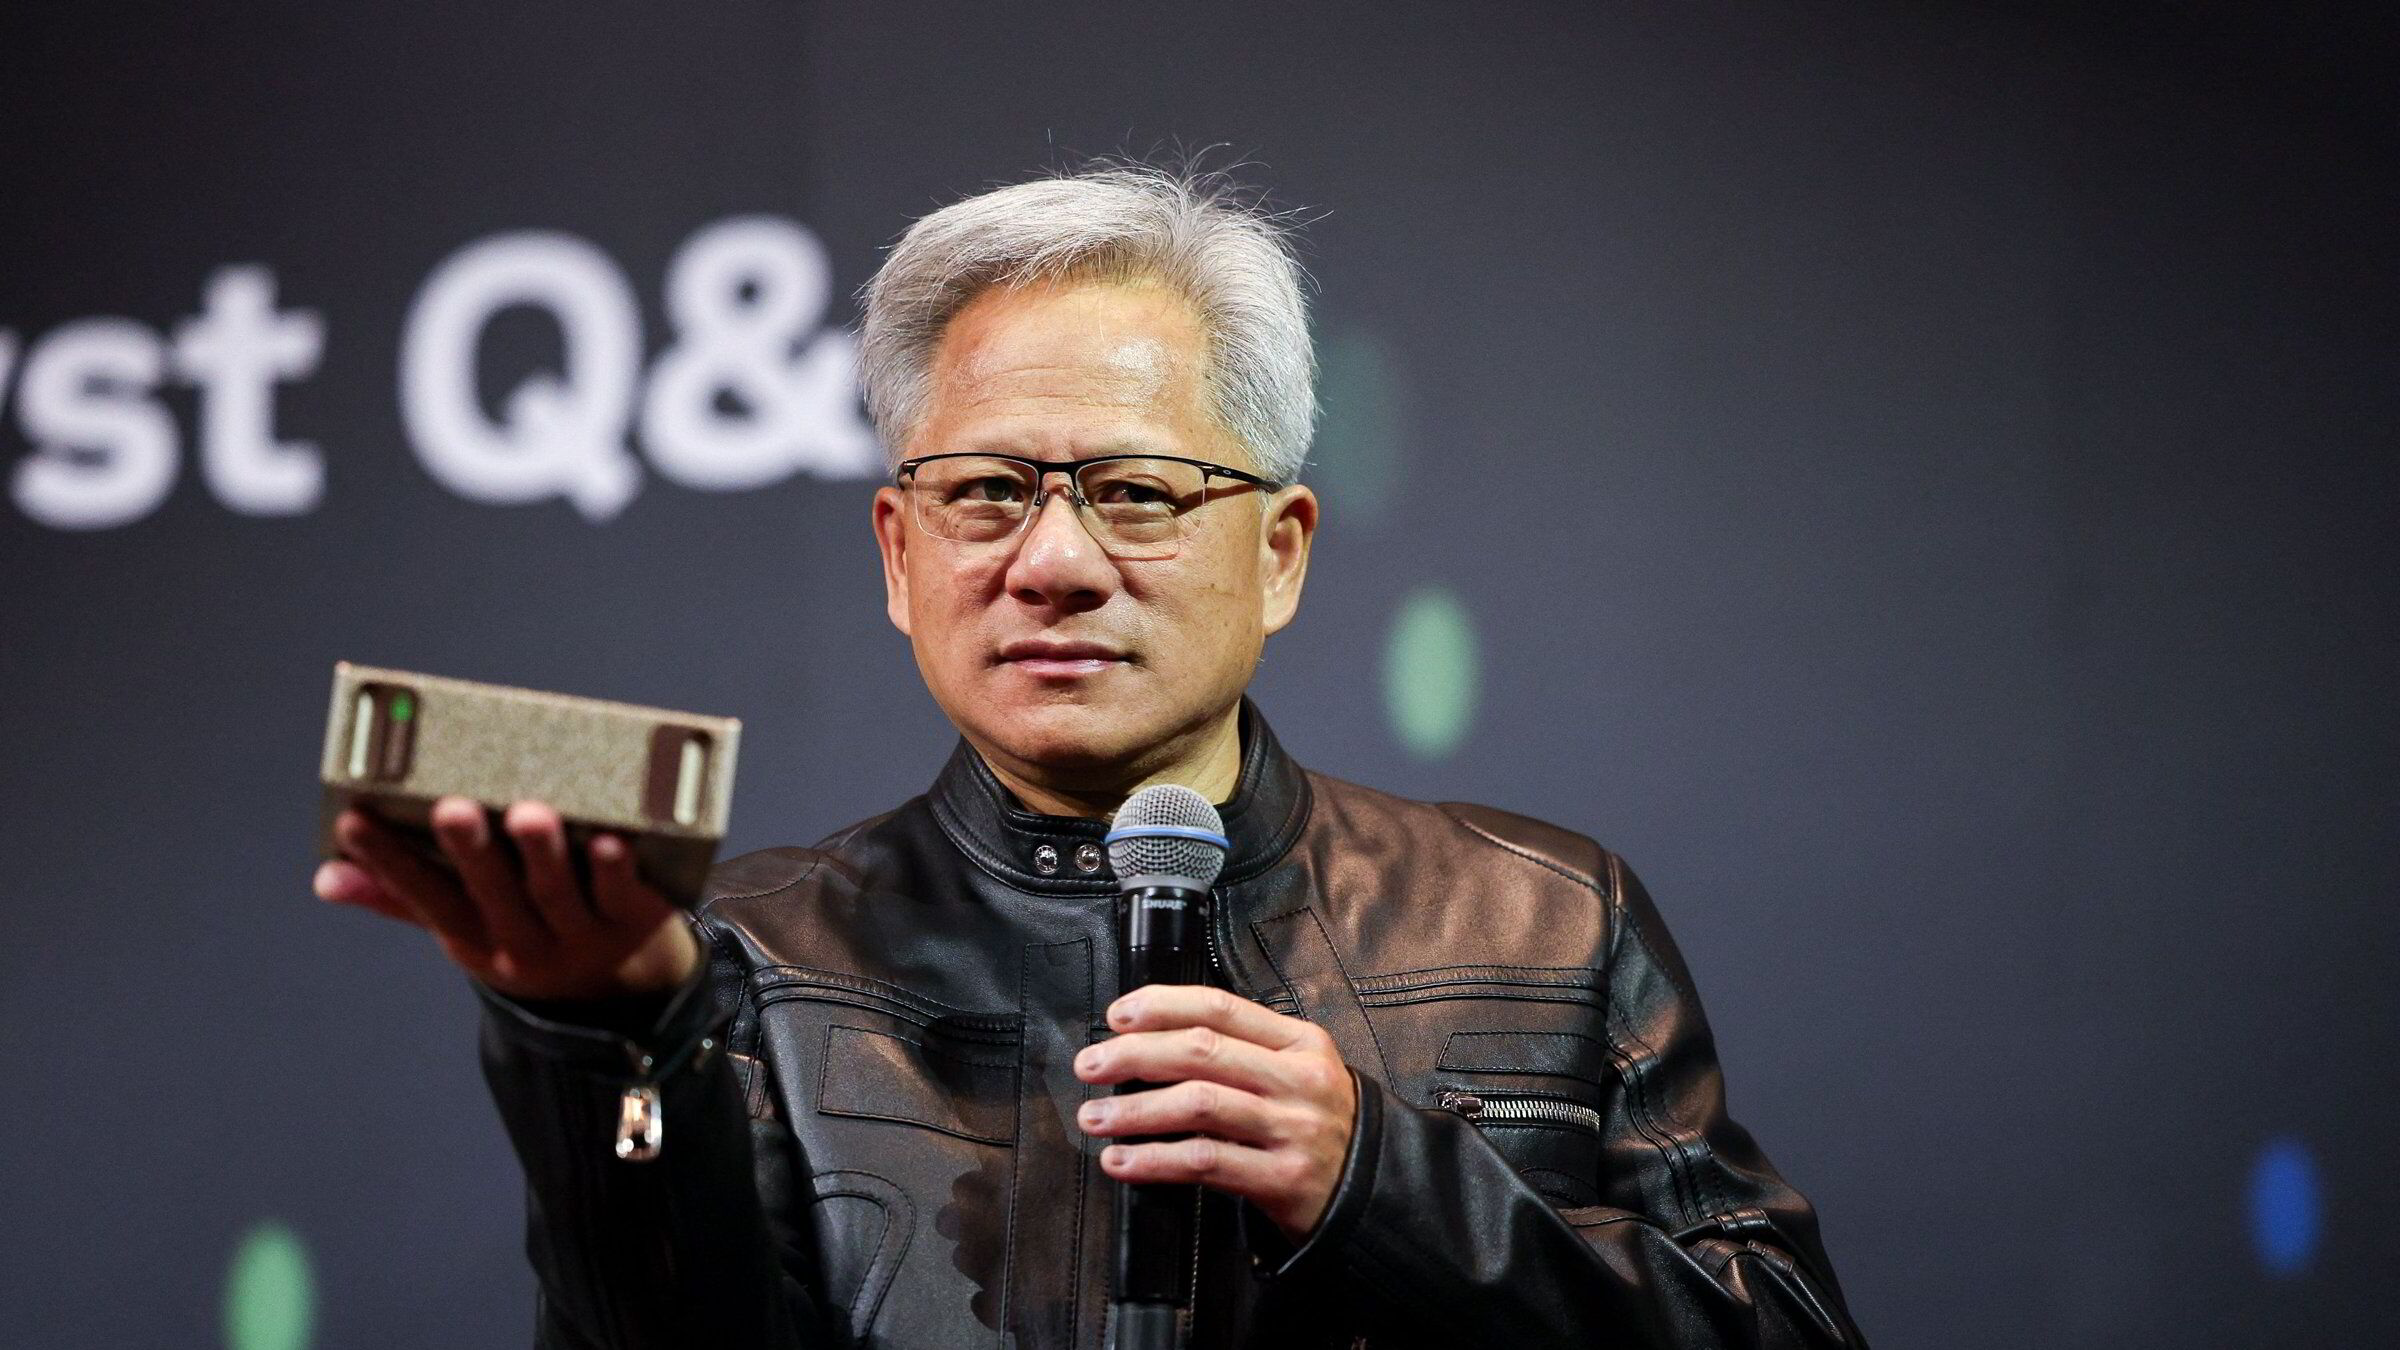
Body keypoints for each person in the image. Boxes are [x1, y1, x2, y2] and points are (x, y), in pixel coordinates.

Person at [313, 162, 1864, 1349]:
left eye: (1134, 491)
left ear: (1280, 551)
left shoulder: (1544, 919)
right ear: (899, 554)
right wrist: (608, 1042)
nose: (1051, 562)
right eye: (987, 491)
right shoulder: (750, 958)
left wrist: (1380, 1179)